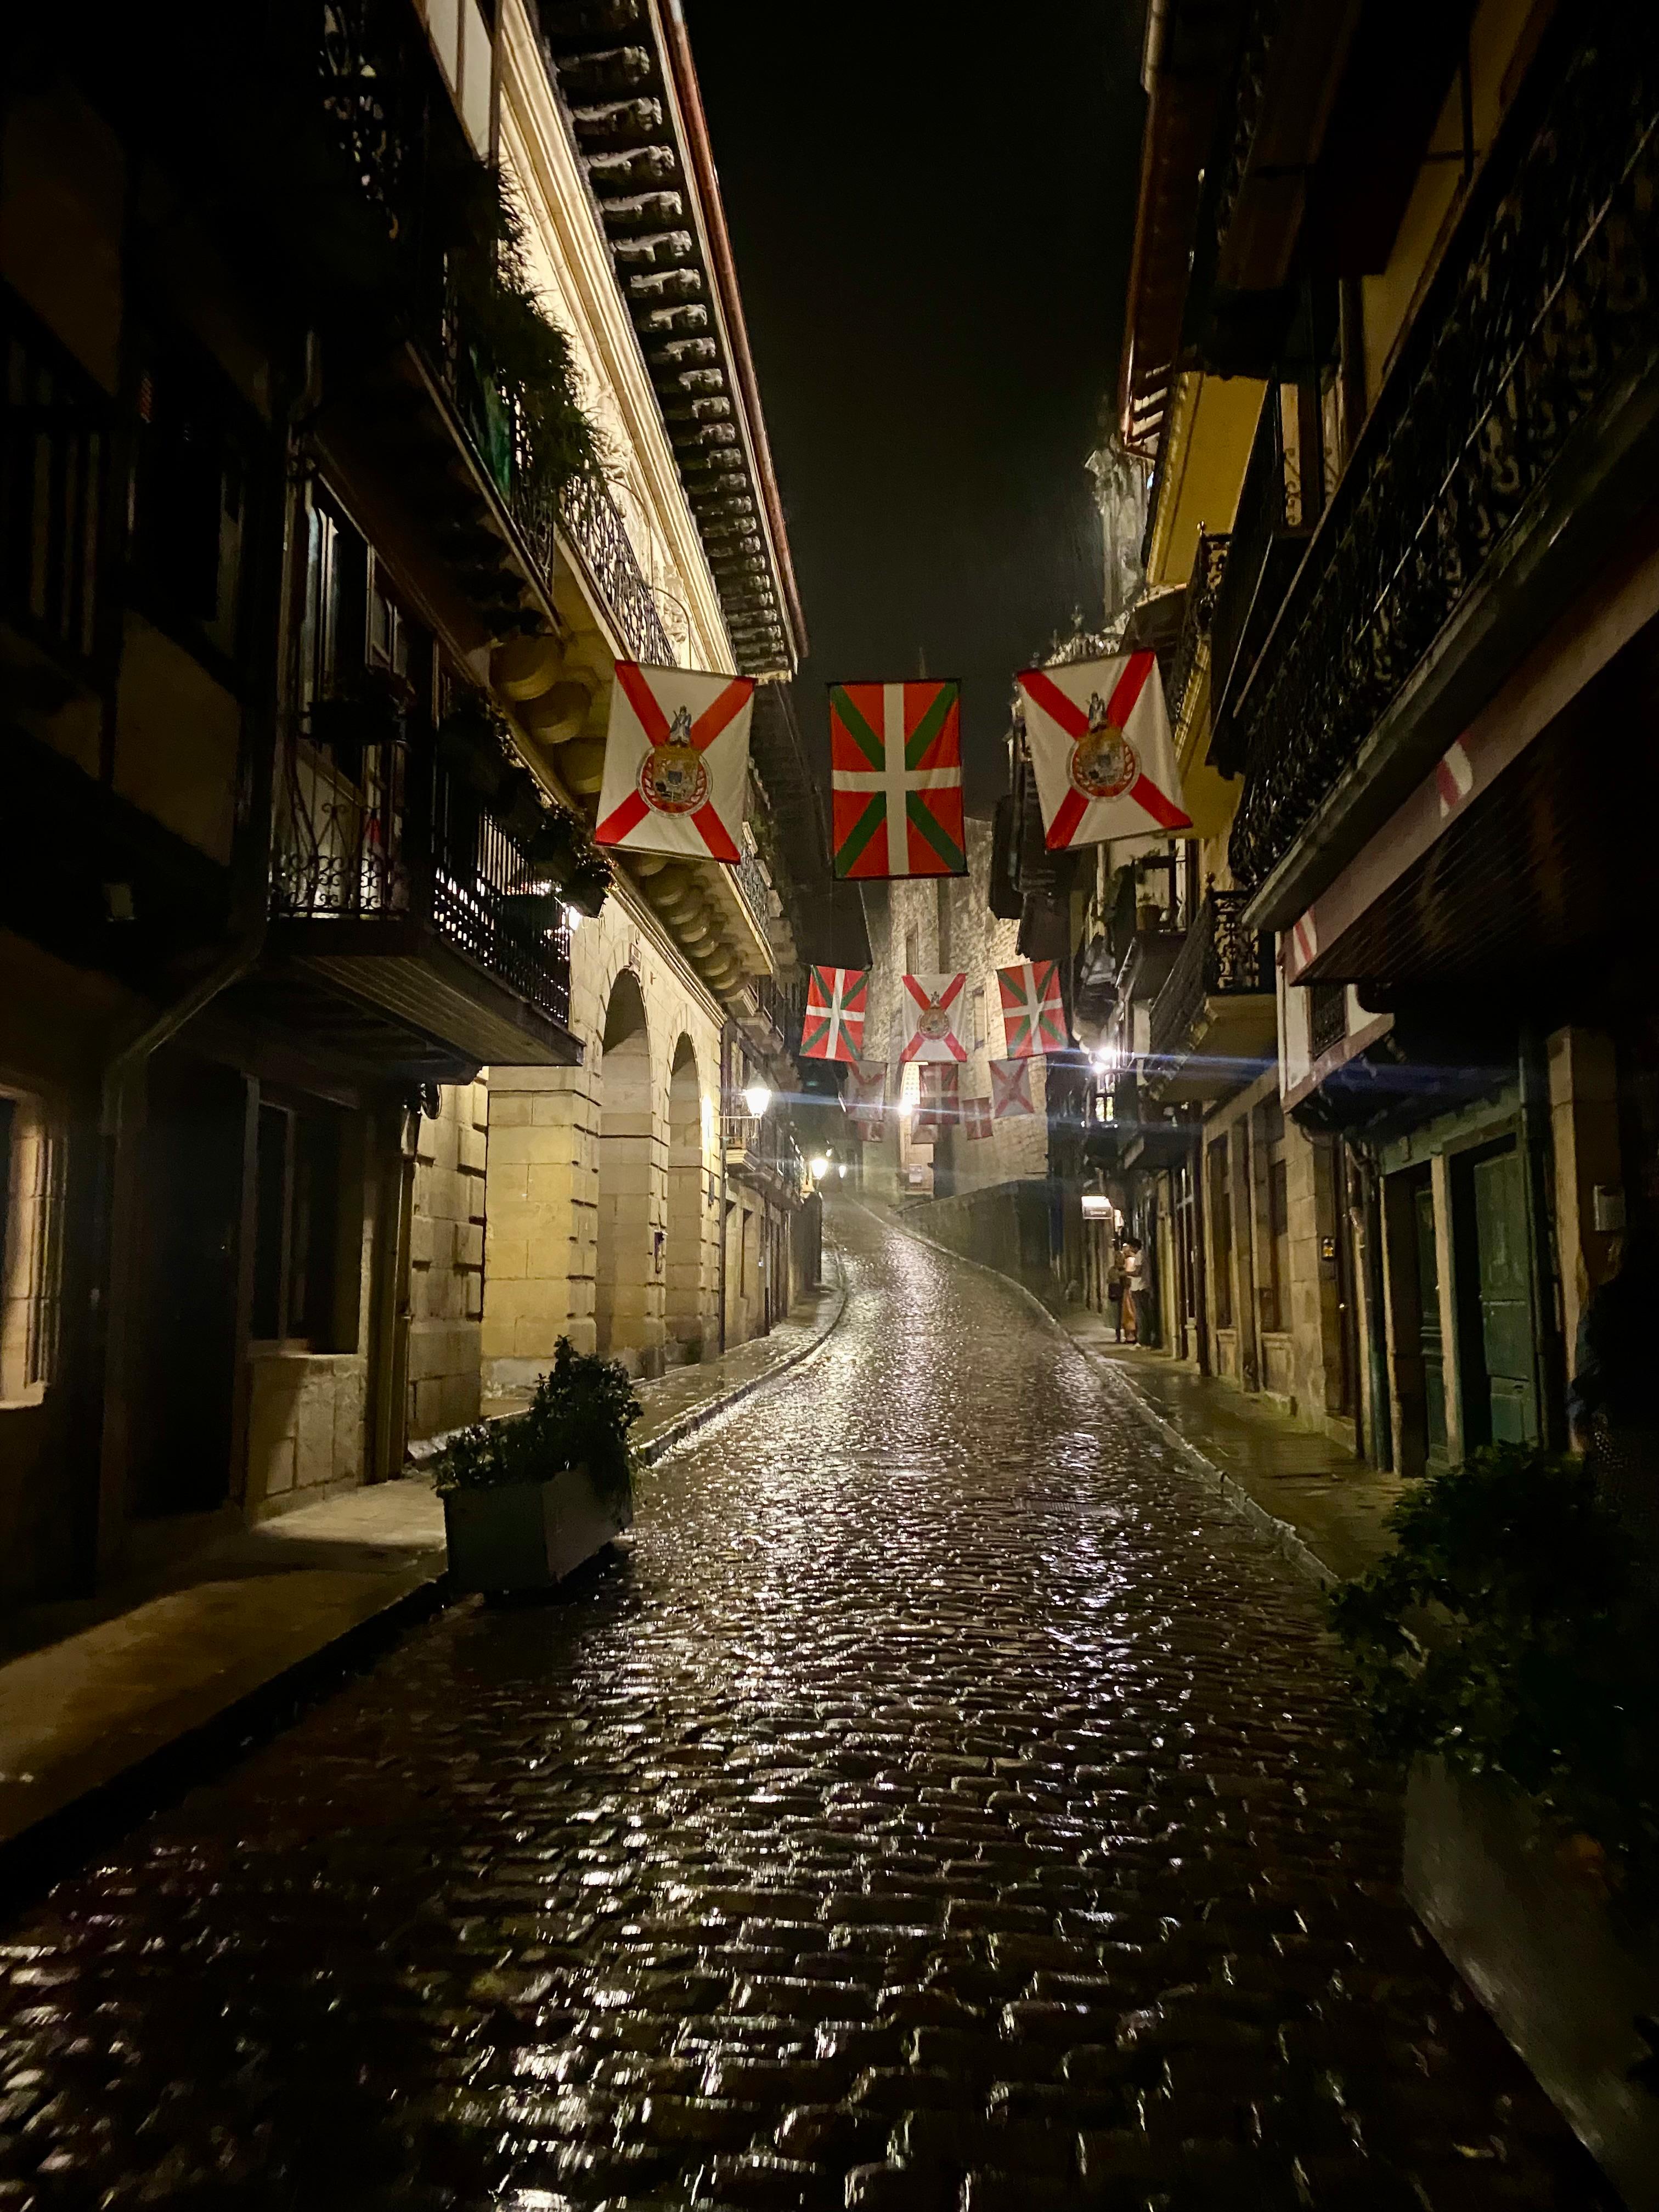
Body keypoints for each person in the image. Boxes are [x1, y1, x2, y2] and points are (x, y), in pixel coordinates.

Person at [1568, 1222, 1659, 1572]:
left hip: (1622, 1424)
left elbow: (1592, 1365)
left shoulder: (1607, 1301)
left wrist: (1581, 1415)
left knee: (1626, 1519)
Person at [1107, 1242, 1128, 1341]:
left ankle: (1128, 1335)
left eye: (1121, 1257)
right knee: (1117, 1315)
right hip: (1117, 1294)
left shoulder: (1126, 1268)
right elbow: (1111, 1279)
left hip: (1126, 1294)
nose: (1120, 1259)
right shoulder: (1113, 1270)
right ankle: (1118, 1335)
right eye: (1118, 1258)